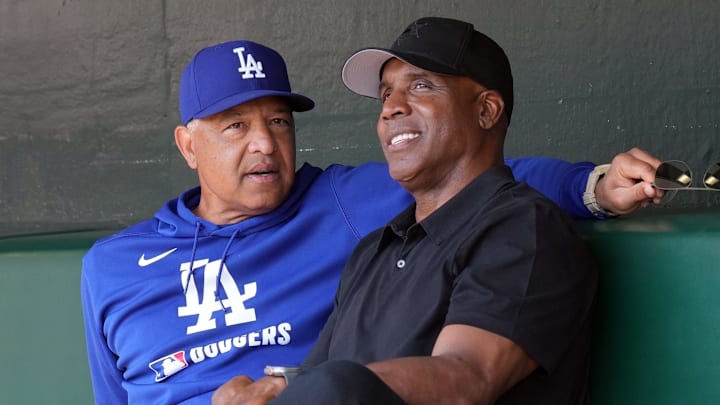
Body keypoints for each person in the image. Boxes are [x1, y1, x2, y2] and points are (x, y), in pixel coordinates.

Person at [81, 38, 659, 404]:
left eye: (279, 121)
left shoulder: (342, 202)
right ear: (188, 144)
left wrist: (593, 187)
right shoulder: (113, 266)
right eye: (235, 126)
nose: (264, 144)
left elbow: (483, 176)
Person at [211, 17, 600, 405]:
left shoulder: (522, 229)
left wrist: (331, 387)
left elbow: (468, 378)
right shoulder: (374, 251)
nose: (391, 109)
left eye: (420, 86)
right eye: (385, 95)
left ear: (486, 111)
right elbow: (315, 377)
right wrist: (271, 392)